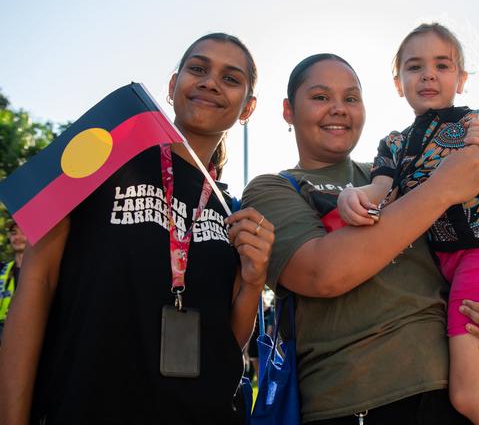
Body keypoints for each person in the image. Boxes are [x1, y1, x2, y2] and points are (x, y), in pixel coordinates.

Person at [243, 53, 479, 424]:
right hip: (359, 402)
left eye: (351, 98)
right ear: (288, 110)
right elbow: (322, 273)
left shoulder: (401, 171)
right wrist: (439, 189)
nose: (338, 109)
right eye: (320, 97)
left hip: (453, 392)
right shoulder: (274, 188)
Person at [0, 33, 274, 425]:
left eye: (231, 78)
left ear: (247, 108)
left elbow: (227, 343)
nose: (211, 81)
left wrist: (252, 281)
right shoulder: (102, 159)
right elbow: (36, 283)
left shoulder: (232, 210)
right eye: (198, 69)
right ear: (171, 85)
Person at [336, 23, 479, 425]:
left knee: (469, 394)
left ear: (462, 79)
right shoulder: (394, 143)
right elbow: (381, 188)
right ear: (398, 83)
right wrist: (352, 196)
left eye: (442, 65)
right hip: (456, 265)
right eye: (415, 67)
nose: (428, 74)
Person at [0, 221, 27, 343]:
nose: (17, 237)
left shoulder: (39, 273)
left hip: (25, 333)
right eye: (14, 233)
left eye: (23, 232)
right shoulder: (3, 270)